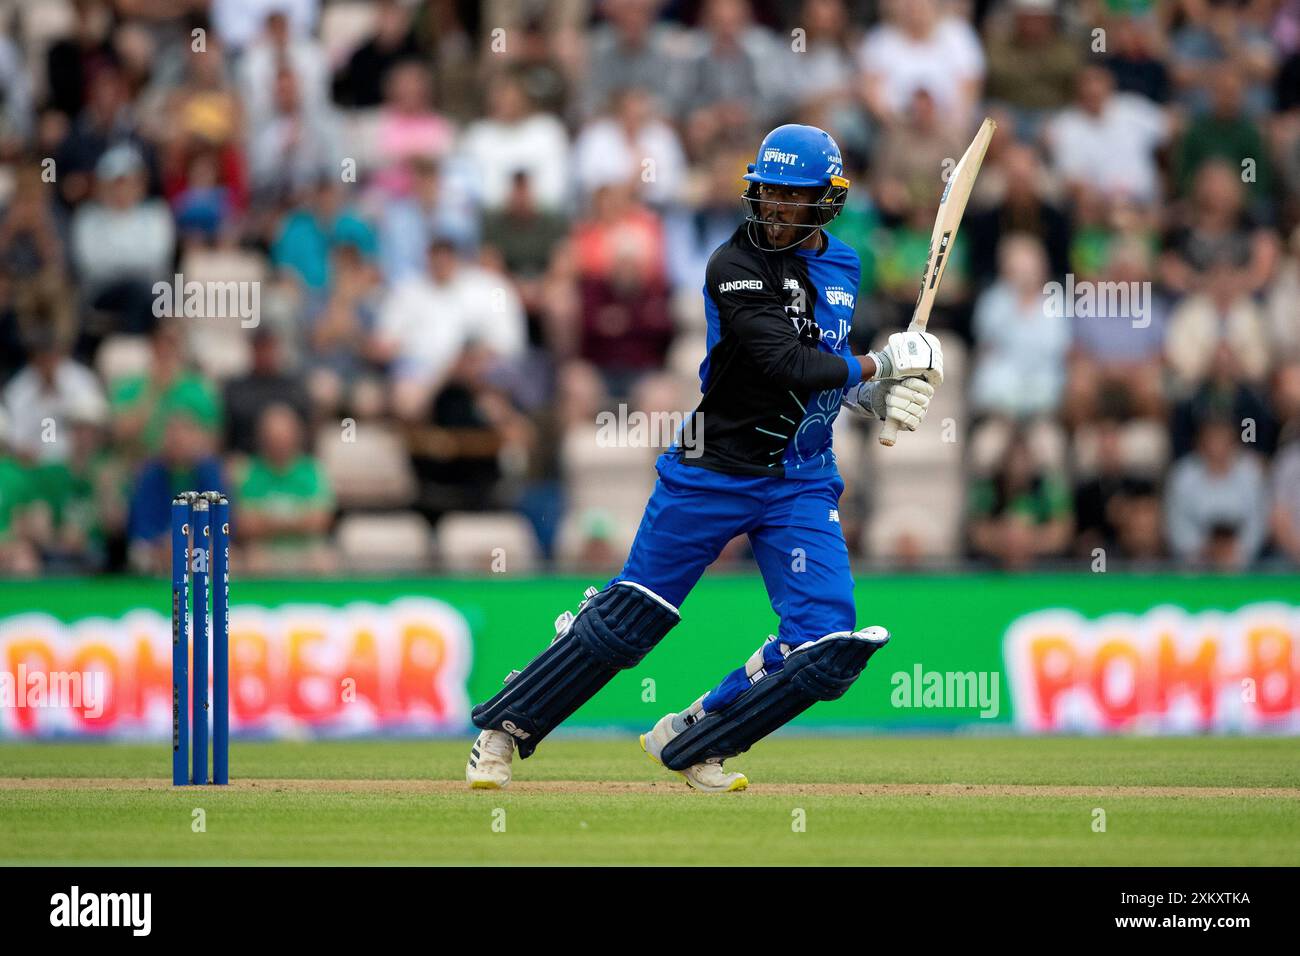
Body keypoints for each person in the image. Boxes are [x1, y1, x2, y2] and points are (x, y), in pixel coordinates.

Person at [465, 125, 943, 792]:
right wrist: (882, 362)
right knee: (632, 622)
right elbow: (783, 362)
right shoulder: (733, 266)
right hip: (713, 468)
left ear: (826, 204)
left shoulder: (844, 266)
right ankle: (499, 732)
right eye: (768, 195)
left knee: (827, 644)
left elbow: (824, 368)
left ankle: (697, 733)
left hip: (800, 480)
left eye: (792, 199)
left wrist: (873, 394)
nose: (775, 210)